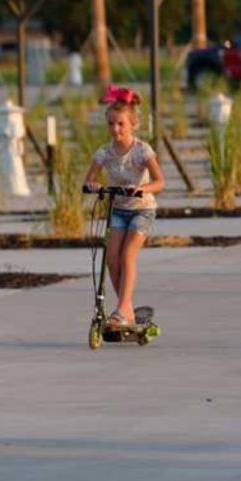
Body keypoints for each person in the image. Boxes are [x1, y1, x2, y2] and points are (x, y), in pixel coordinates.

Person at [82, 85, 165, 329]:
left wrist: (140, 189)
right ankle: (126, 309)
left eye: (120, 124)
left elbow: (159, 181)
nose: (115, 129)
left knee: (128, 255)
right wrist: (94, 186)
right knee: (111, 259)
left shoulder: (141, 150)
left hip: (142, 210)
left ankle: (121, 309)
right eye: (111, 124)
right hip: (117, 210)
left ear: (133, 124)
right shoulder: (104, 152)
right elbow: (89, 180)